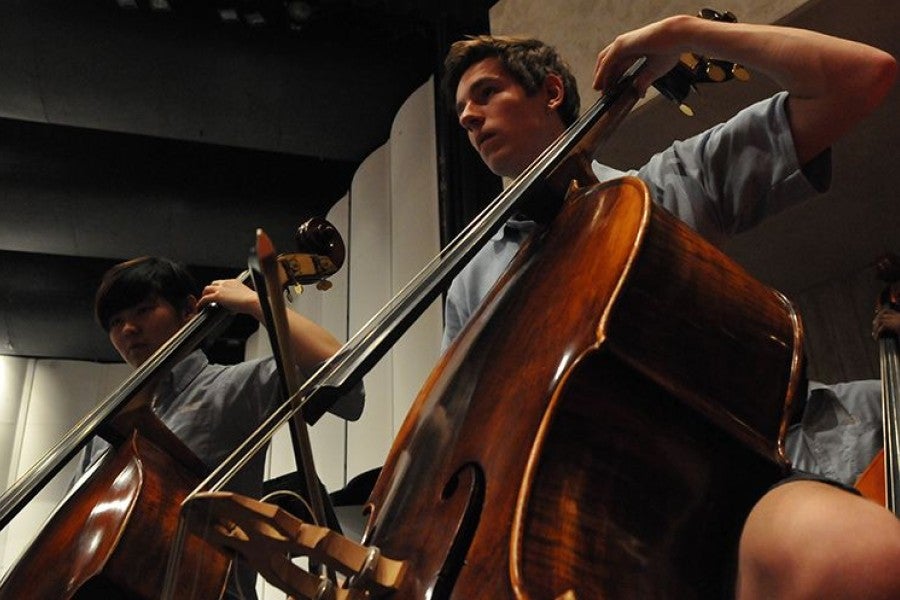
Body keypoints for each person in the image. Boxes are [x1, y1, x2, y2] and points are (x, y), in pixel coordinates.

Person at [439, 14, 898, 600]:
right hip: (575, 532)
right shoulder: (472, 283)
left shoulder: (658, 195)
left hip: (720, 497)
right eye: (462, 112)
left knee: (845, 553)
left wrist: (687, 34)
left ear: (551, 92)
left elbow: (863, 77)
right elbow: (466, 437)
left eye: (486, 93)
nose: (469, 117)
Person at [84, 256, 364, 600]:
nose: (128, 329)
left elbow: (344, 384)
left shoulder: (234, 386)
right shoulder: (106, 431)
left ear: (188, 310)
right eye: (116, 321)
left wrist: (256, 303)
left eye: (143, 310)